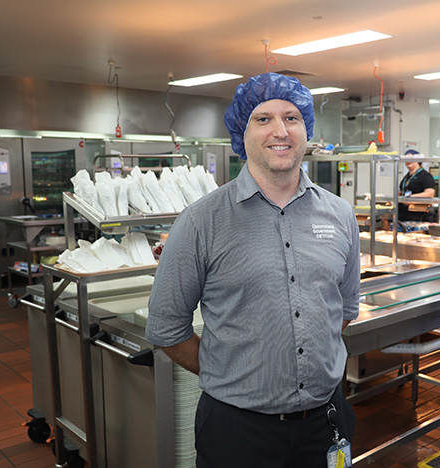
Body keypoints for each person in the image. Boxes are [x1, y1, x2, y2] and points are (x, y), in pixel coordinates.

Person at [146, 72, 359, 468]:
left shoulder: (340, 215)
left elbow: (342, 312)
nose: (280, 130)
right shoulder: (201, 221)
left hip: (326, 422)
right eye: (263, 119)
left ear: (306, 129)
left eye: (292, 118)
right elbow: (167, 330)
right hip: (237, 432)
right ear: (241, 134)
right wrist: (234, 372)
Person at [397, 150, 437, 222]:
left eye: (411, 159)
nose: (408, 162)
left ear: (418, 160)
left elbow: (430, 193)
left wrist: (411, 198)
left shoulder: (425, 176)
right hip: (404, 215)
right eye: (406, 160)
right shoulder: (407, 177)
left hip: (418, 216)